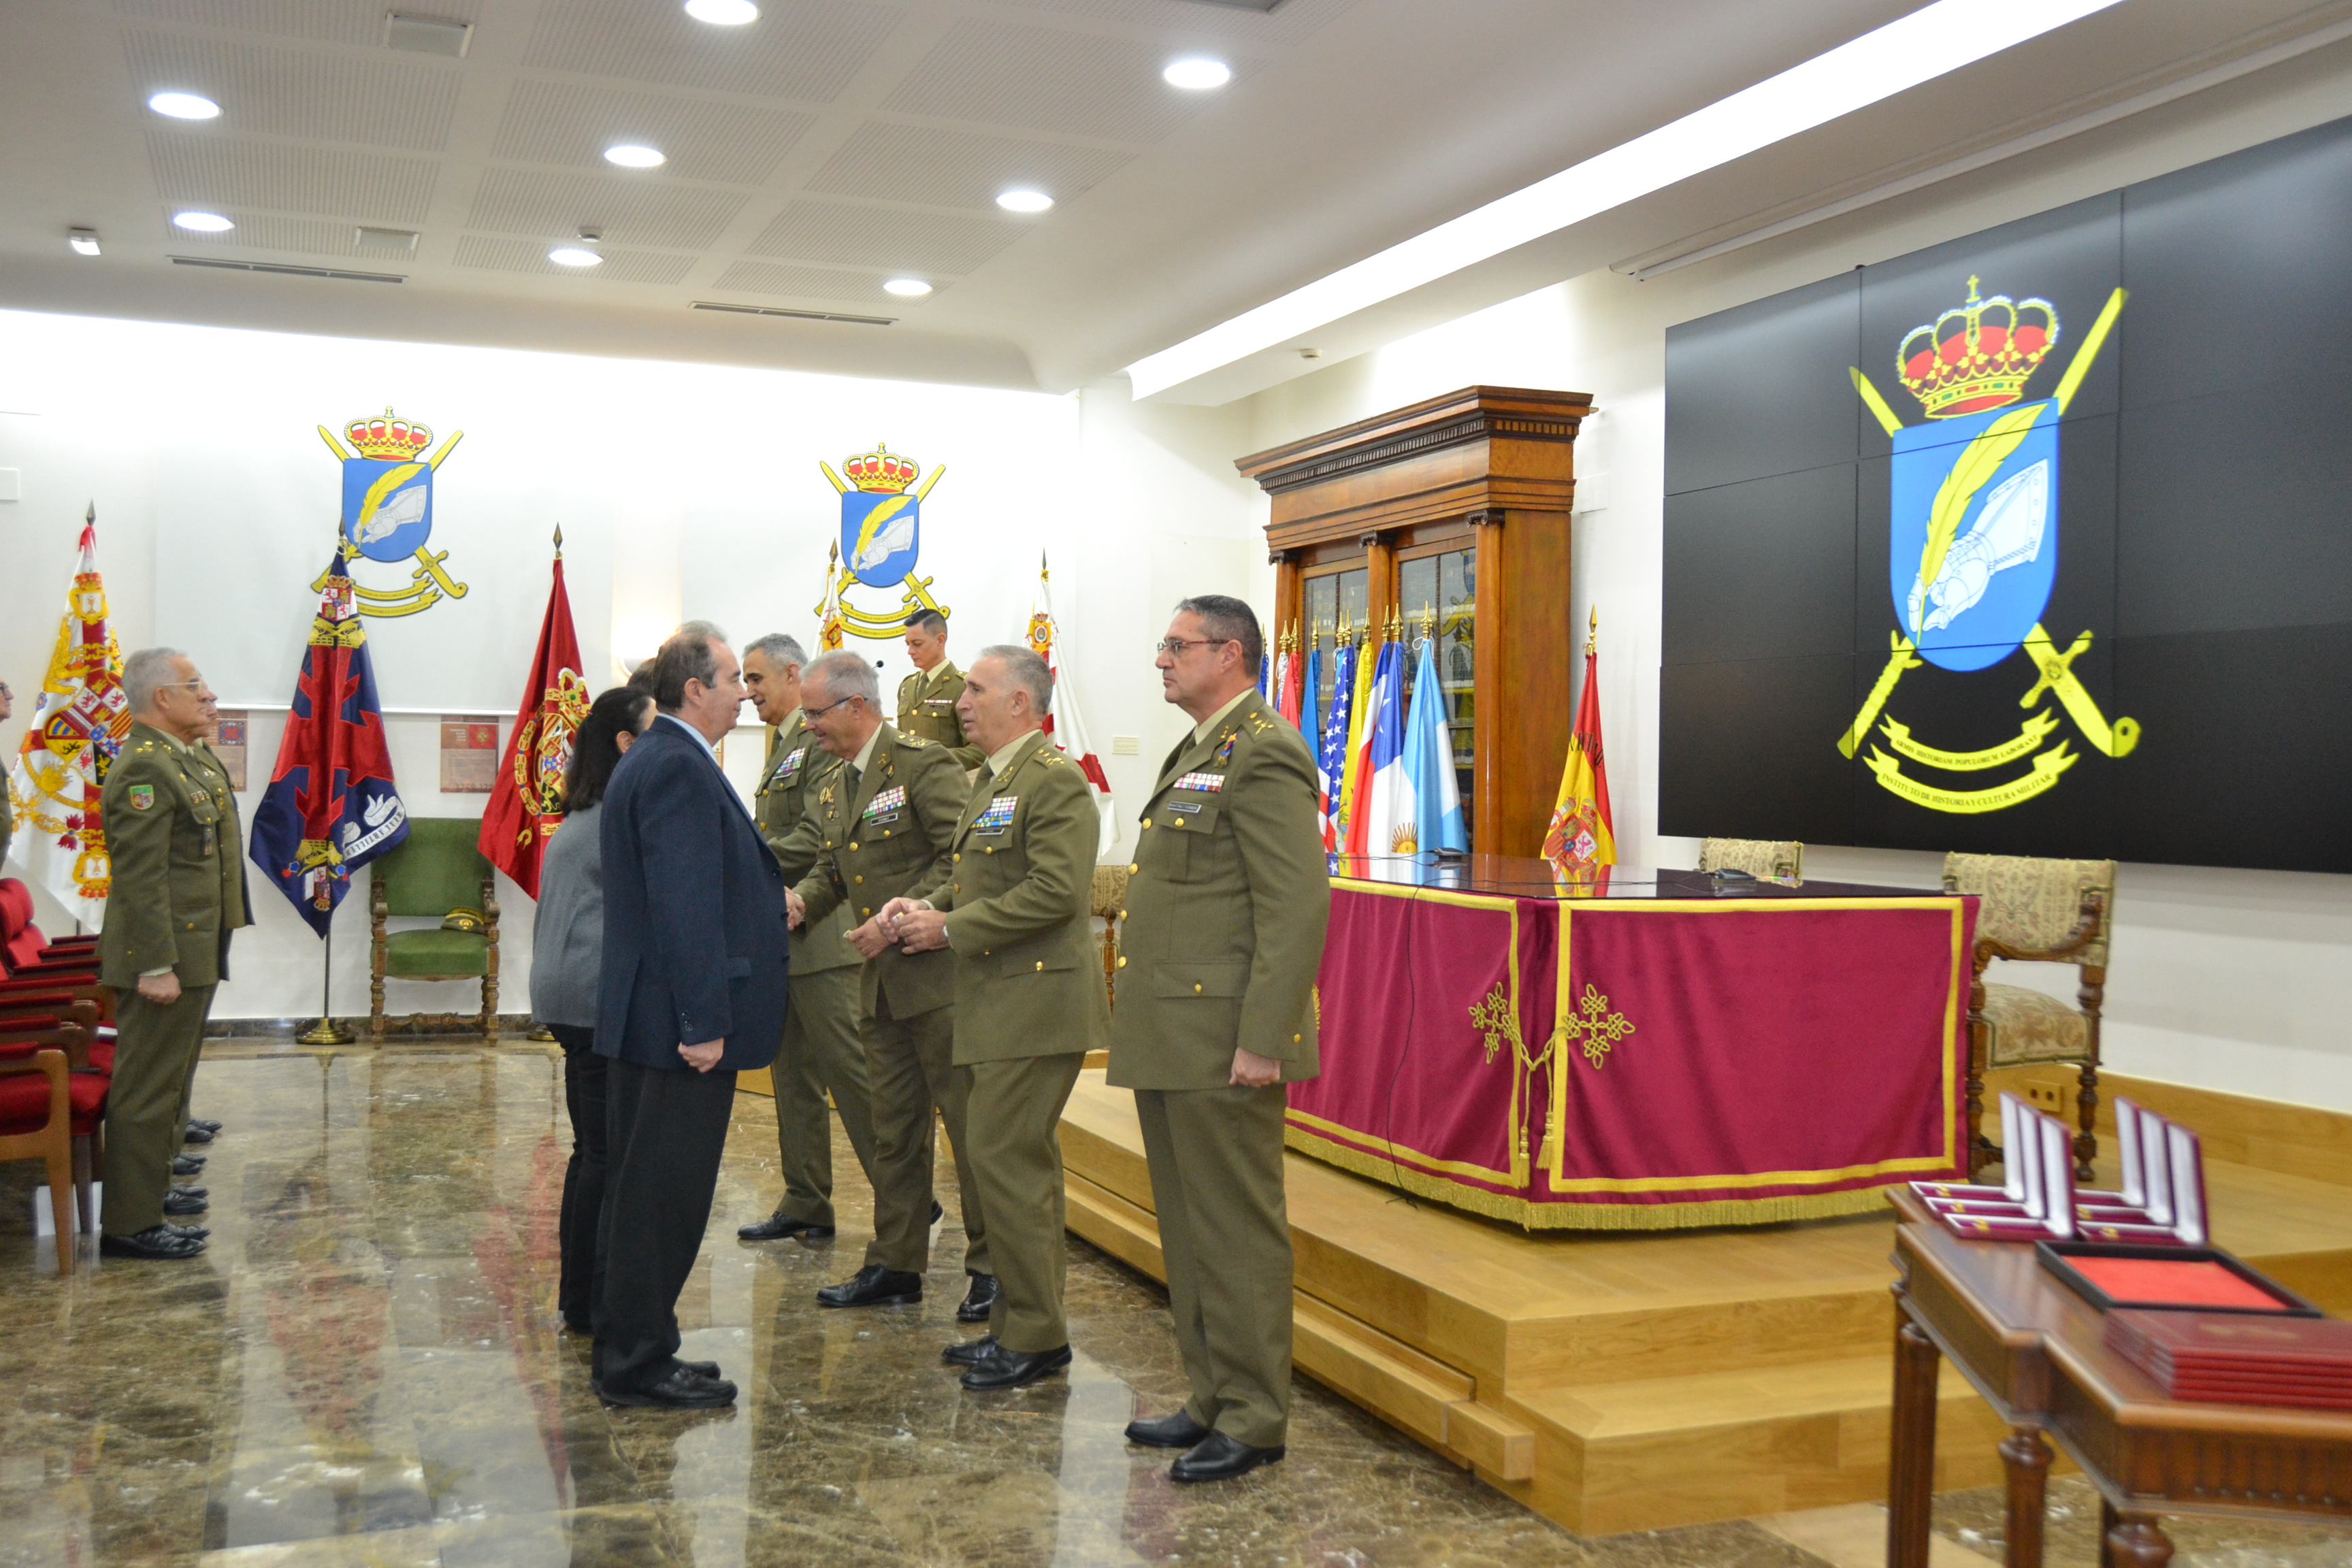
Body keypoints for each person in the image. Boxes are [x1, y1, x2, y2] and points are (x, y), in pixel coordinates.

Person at [1110, 595, 1330, 1483]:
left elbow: (1295, 904)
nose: (1161, 660)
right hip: (1172, 1029)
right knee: (1191, 1229)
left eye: (1177, 645)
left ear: (1230, 653)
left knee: (1235, 1232)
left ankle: (1254, 1414)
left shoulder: (1264, 749)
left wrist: (1266, 1036)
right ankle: (1210, 1395)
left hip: (1225, 1035)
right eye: (1162, 644)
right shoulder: (1200, 749)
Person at [880, 644, 1108, 1391]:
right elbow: (974, 877)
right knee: (1000, 1166)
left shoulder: (1055, 782)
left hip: (1036, 1005)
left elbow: (1053, 892)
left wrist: (949, 930)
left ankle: (1038, 1336)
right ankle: (1016, 1325)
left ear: (1021, 701)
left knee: (1013, 1169)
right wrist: (930, 907)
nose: (961, 702)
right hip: (995, 1001)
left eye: (976, 689)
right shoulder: (990, 782)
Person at [591, 623, 788, 1408]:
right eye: (734, 679)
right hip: (676, 1028)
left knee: (645, 1195)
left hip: (652, 1019)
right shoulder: (675, 765)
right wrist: (704, 1021)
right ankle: (636, 1364)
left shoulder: (662, 758)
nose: (746, 693)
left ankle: (638, 1343)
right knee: (661, 1201)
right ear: (695, 689)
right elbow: (684, 909)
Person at [779, 651, 990, 1317]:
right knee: (895, 1132)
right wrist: (803, 902)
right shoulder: (838, 784)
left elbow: (967, 855)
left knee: (970, 1129)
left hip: (941, 981)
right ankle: (896, 1263)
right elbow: (832, 870)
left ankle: (992, 1268)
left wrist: (903, 912)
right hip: (883, 988)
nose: (807, 725)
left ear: (857, 707)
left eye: (816, 713)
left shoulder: (925, 766)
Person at [95, 648, 251, 1260]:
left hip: (193, 946)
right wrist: (155, 964)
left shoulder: (180, 759)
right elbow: (141, 878)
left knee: (167, 1080)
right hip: (163, 955)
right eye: (194, 686)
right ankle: (130, 1225)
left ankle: (152, 1189)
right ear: (162, 698)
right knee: (145, 1089)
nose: (205, 695)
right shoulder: (144, 768)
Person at [735, 633, 884, 1245]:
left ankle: (907, 1195)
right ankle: (806, 1199)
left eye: (756, 679)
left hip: (822, 935)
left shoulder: (818, 740)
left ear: (792, 673)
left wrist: (745, 861)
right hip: (785, 937)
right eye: (743, 682)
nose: (748, 694)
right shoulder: (784, 744)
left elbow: (822, 836)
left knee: (853, 1078)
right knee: (792, 1076)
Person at [529, 685, 654, 1333]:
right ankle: (591, 1303)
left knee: (591, 1152)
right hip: (590, 997)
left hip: (569, 994)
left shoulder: (592, 806)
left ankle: (580, 1299)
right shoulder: (618, 815)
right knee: (605, 1156)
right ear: (627, 745)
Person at [896, 609, 978, 764]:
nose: (910, 651)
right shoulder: (907, 686)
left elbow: (978, 751)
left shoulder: (964, 687)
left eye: (917, 644)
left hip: (945, 782)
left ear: (940, 640)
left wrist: (932, 759)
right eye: (908, 644)